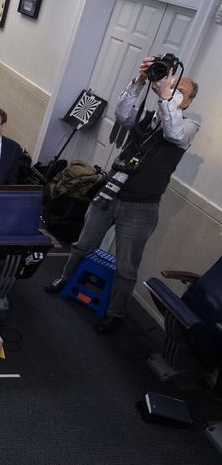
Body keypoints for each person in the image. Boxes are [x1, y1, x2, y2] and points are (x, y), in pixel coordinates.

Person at [45, 59, 200, 334]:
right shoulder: (145, 117)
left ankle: (115, 312)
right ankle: (64, 279)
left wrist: (166, 97)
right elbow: (122, 115)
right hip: (110, 193)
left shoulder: (188, 127)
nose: (172, 90)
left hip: (141, 209)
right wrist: (138, 82)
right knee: (83, 244)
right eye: (170, 85)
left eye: (180, 90)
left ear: (187, 102)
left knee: (127, 266)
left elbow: (173, 132)